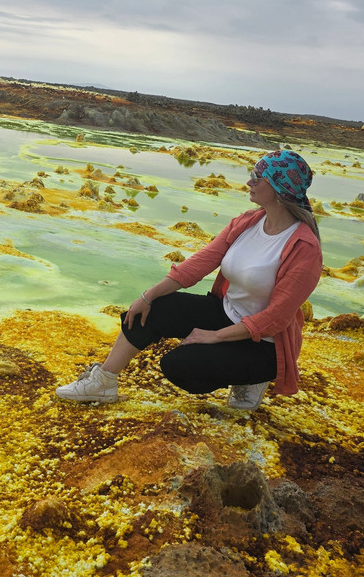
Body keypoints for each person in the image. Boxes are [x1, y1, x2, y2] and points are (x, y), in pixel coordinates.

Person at [55, 149, 322, 410]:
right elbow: (198, 264)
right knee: (152, 308)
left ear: (278, 188)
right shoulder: (248, 222)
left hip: (263, 346)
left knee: (179, 365)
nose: (249, 182)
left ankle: (251, 379)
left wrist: (215, 336)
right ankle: (103, 382)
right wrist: (147, 296)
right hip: (226, 314)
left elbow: (276, 318)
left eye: (257, 177)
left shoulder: (304, 248)